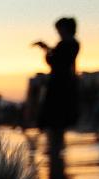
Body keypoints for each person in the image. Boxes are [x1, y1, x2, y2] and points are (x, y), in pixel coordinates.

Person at [33, 17, 80, 152]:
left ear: (65, 28)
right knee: (59, 120)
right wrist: (48, 49)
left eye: (59, 29)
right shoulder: (73, 44)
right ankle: (57, 148)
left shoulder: (67, 44)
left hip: (59, 85)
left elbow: (55, 60)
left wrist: (47, 51)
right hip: (65, 84)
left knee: (55, 119)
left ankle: (56, 149)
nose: (58, 32)